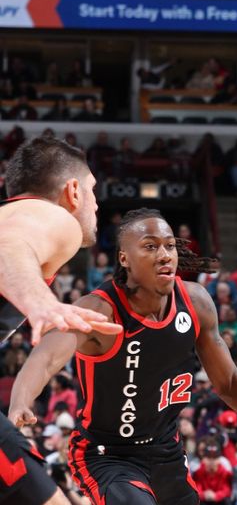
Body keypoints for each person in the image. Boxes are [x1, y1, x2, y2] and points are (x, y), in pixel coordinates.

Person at [9, 208, 237, 505]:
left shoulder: (195, 302)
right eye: (150, 246)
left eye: (170, 245)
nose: (165, 254)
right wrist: (21, 399)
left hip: (166, 451)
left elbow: (229, 382)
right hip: (108, 455)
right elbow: (46, 357)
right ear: (124, 258)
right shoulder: (99, 311)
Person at [0, 137, 122, 505]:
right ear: (73, 191)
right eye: (92, 190)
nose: (97, 203)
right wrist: (41, 302)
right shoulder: (51, 216)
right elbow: (6, 246)